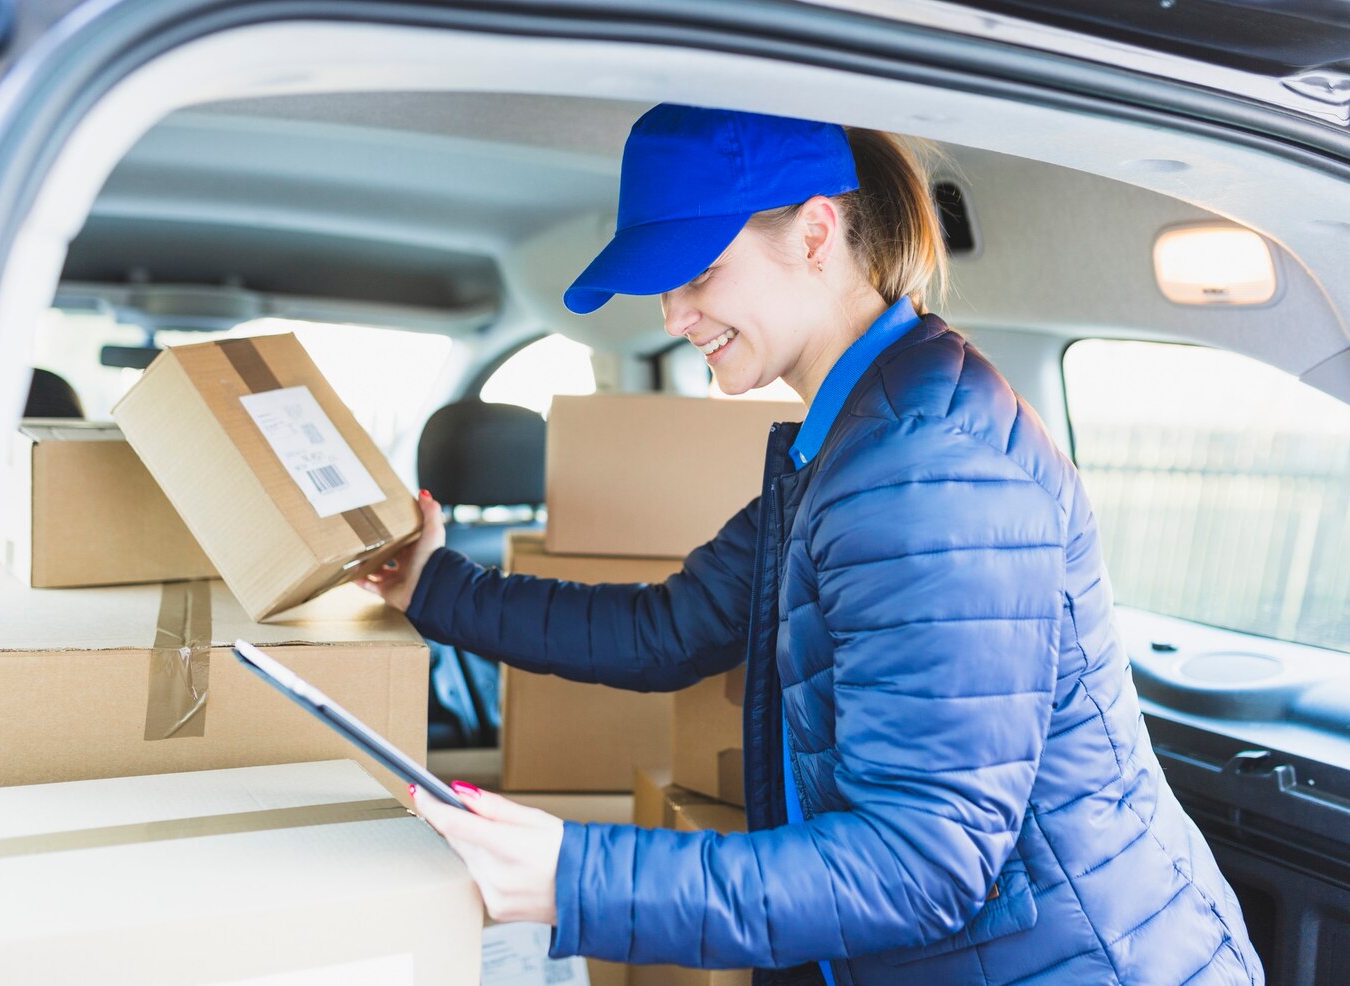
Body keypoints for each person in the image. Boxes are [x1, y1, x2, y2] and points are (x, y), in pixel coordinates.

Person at [356, 104, 1262, 985]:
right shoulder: (849, 444)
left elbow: (920, 863)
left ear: (815, 234)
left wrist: (571, 877)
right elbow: (667, 629)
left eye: (699, 272)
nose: (673, 315)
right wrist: (435, 587)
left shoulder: (928, 466)